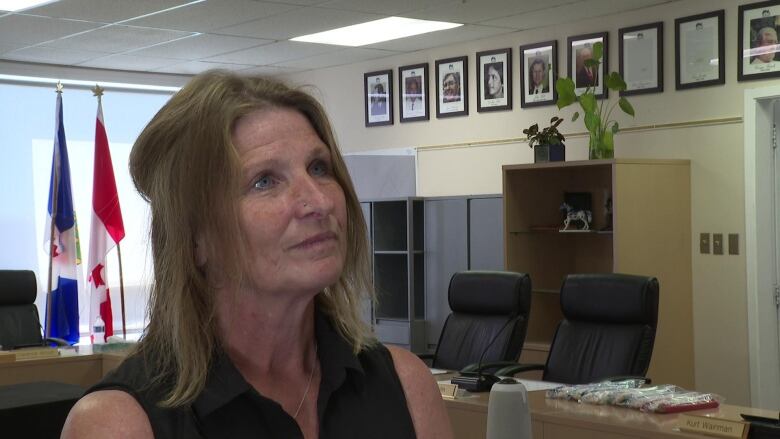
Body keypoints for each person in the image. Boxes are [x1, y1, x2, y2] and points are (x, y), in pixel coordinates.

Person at [61, 71, 452, 439]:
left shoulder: (406, 386)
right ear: (195, 239)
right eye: (264, 181)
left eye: (319, 168)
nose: (318, 201)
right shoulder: (119, 423)